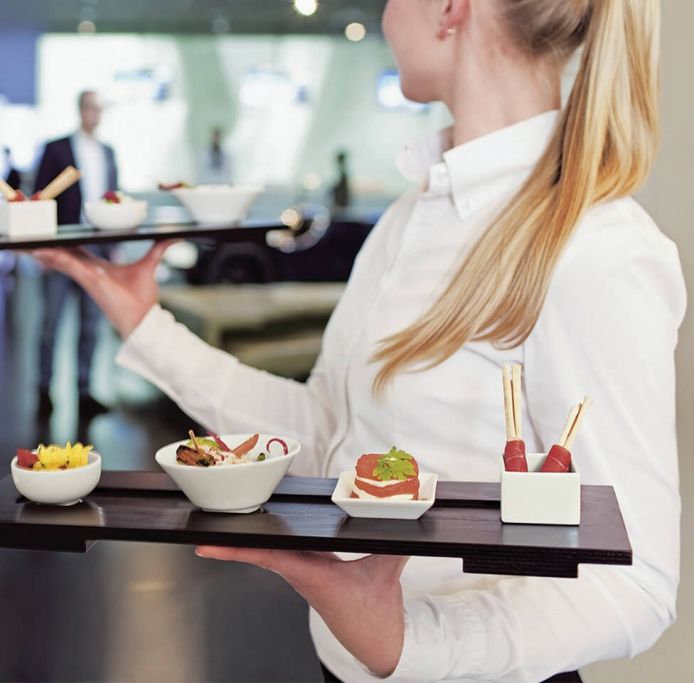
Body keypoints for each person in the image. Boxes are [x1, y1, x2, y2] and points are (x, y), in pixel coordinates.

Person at [33, 1, 681, 680]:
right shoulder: (408, 219)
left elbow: (636, 580)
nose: (382, 14)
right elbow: (328, 433)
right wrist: (144, 322)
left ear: (451, 8)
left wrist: (409, 642)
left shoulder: (597, 250)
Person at [35, 90, 118, 418]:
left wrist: (115, 247)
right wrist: (42, 247)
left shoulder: (108, 152)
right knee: (51, 322)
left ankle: (84, 390)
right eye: (89, 107)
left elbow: (114, 198)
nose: (93, 114)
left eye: (99, 108)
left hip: (96, 248)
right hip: (62, 246)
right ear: (79, 109)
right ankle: (44, 388)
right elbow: (42, 196)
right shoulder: (57, 149)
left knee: (90, 323)